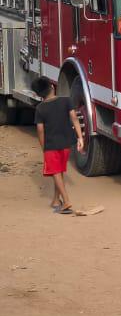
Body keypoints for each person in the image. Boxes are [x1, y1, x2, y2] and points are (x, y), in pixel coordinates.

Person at [33, 78, 85, 214]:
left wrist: (44, 147)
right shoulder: (66, 100)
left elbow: (40, 130)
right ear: (52, 87)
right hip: (66, 144)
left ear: (39, 94)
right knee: (59, 171)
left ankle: (66, 201)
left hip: (51, 145)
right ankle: (56, 200)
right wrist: (80, 137)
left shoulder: (40, 109)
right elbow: (74, 118)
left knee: (55, 172)